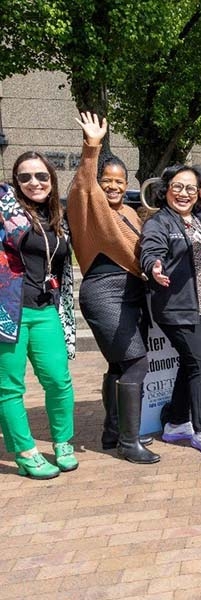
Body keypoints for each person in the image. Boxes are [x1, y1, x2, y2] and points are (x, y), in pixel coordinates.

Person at [67, 111, 159, 464]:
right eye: (108, 179)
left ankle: (112, 430)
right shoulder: (87, 209)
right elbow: (83, 186)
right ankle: (129, 441)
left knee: (120, 366)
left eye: (120, 181)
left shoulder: (133, 214)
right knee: (135, 363)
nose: (114, 186)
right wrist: (92, 146)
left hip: (132, 293)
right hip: (105, 291)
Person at [140, 164, 201, 455]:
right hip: (179, 307)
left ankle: (176, 424)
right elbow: (150, 249)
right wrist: (153, 265)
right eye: (177, 186)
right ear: (166, 190)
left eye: (191, 188)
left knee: (191, 364)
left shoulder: (200, 217)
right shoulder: (160, 222)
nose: (184, 193)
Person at [0, 154, 76, 479]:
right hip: (8, 311)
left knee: (59, 380)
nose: (35, 183)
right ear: (15, 181)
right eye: (26, 177)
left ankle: (62, 441)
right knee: (10, 388)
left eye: (41, 176)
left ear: (52, 178)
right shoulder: (5, 211)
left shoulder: (57, 215)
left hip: (46, 309)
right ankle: (25, 452)